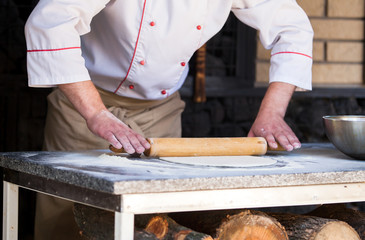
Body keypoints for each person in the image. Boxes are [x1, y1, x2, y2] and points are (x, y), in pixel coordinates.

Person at [25, 0, 313, 239]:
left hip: (161, 112)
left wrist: (273, 112)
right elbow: (50, 21)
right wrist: (95, 112)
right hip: (85, 104)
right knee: (65, 217)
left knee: (157, 222)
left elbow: (292, 27)